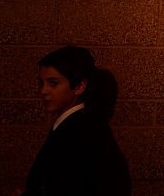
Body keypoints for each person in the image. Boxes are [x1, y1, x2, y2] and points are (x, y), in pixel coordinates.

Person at [17, 46, 131, 196]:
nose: (43, 91)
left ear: (79, 86)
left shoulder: (80, 132)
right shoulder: (80, 126)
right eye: (41, 83)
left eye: (53, 83)